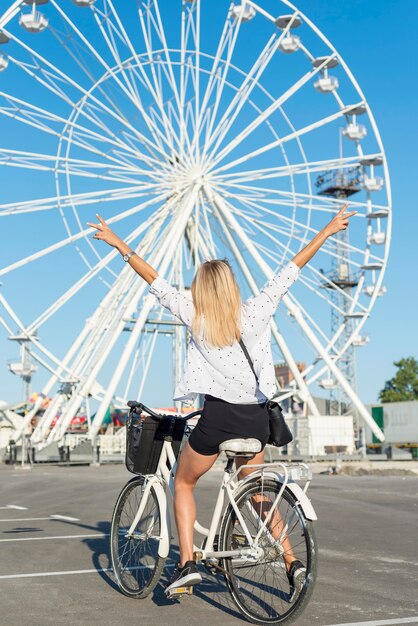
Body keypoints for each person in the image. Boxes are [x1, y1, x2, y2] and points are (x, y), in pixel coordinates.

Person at [87, 202, 356, 594]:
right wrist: (328, 231)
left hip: (218, 420)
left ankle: (187, 564)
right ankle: (290, 559)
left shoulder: (194, 314)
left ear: (199, 289)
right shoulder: (255, 312)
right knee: (259, 492)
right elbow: (290, 271)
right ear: (232, 287)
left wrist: (119, 245)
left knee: (183, 482)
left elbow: (154, 279)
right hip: (256, 419)